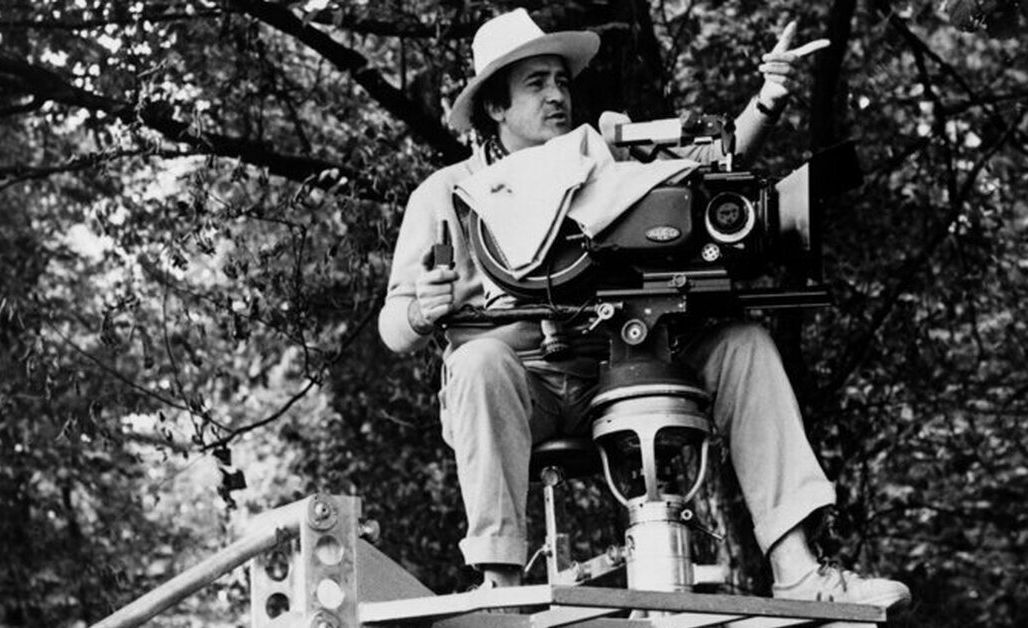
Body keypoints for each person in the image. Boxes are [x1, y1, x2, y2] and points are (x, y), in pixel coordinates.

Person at [378, 8, 910, 608]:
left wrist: (766, 100)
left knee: (744, 344)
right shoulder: (446, 193)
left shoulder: (602, 165)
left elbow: (704, 175)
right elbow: (393, 329)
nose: (557, 96)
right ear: (495, 106)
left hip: (624, 365)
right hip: (522, 388)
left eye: (561, 81)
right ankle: (499, 588)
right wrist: (422, 310)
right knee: (477, 362)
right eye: (536, 84)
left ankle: (799, 569)